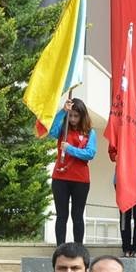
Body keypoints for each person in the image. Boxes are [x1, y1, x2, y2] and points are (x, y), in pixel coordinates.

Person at [50, 98, 97, 245]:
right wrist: (63, 111)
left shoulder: (90, 132)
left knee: (77, 216)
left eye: (76, 116)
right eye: (71, 116)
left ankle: (78, 248)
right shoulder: (63, 130)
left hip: (80, 180)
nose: (73, 119)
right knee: (61, 215)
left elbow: (90, 153)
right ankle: (60, 248)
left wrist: (70, 149)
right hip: (60, 177)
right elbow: (52, 131)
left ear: (82, 116)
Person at [109, 103, 136, 257]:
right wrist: (116, 156)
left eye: (134, 109)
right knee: (125, 215)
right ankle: (126, 248)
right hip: (122, 179)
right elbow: (111, 151)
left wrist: (133, 119)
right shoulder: (118, 129)